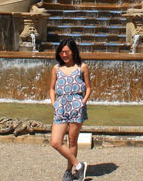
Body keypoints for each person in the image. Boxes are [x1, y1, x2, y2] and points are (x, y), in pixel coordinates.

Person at [50, 38, 92, 181]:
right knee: (55, 142)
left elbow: (88, 88)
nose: (64, 55)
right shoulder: (56, 68)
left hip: (76, 105)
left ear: (73, 51)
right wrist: (53, 103)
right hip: (60, 105)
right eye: (61, 52)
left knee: (72, 141)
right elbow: (51, 88)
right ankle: (79, 165)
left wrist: (82, 102)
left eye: (66, 51)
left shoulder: (82, 67)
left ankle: (69, 171)